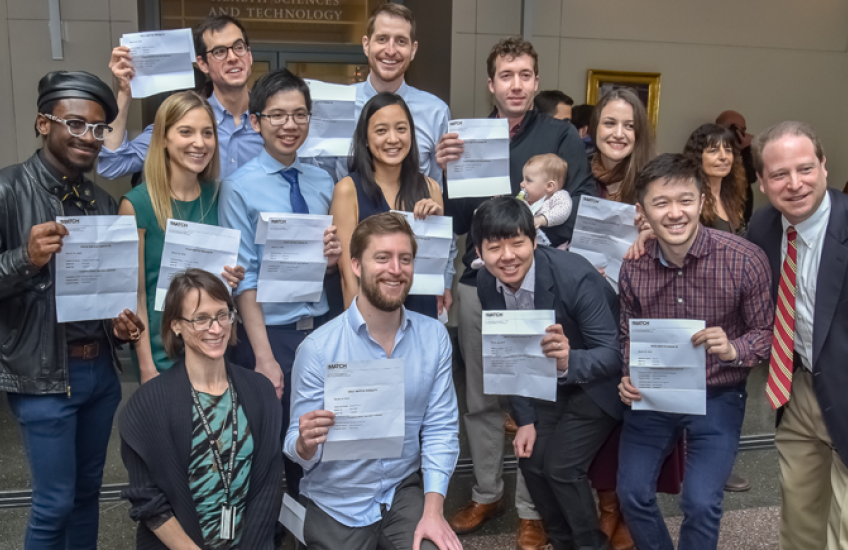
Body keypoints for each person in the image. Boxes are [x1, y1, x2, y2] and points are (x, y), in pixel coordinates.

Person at [436, 37, 594, 549]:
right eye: (506, 75)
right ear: (491, 83)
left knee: (537, 394)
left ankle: (532, 509)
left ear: (536, 80)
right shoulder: (468, 137)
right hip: (477, 282)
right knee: (481, 397)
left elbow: (579, 204)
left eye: (525, 74)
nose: (517, 84)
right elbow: (457, 221)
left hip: (537, 285)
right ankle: (487, 492)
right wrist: (448, 172)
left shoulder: (561, 135)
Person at [0, 70, 146, 549]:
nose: (89, 137)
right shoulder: (7, 191)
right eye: (76, 124)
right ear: (44, 123)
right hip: (42, 375)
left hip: (99, 374)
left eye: (100, 128)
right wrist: (25, 258)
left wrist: (119, 327)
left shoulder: (101, 202)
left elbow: (103, 293)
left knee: (87, 498)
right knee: (54, 503)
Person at [616, 153, 773, 550]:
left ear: (702, 201)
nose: (675, 213)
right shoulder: (634, 266)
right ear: (642, 211)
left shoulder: (744, 259)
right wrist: (627, 375)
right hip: (655, 394)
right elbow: (627, 333)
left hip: (718, 393)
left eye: (685, 200)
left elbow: (766, 334)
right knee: (632, 493)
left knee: (701, 502)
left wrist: (733, 348)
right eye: (661, 203)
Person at [285, 212, 461, 550]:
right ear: (356, 265)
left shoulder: (434, 337)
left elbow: (440, 429)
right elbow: (296, 444)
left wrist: (434, 512)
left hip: (401, 490)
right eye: (382, 258)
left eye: (405, 259)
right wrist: (305, 444)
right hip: (336, 499)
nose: (395, 269)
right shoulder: (318, 349)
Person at [218, 68, 341, 501]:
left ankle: (315, 526)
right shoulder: (238, 188)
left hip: (320, 330)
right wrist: (264, 357)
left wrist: (331, 262)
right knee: (267, 448)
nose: (290, 125)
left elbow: (328, 267)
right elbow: (244, 278)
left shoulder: (322, 181)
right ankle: (267, 530)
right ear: (256, 122)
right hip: (269, 335)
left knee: (316, 441)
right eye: (277, 115)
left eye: (299, 114)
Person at [473, 196, 623, 550]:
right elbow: (511, 356)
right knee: (531, 461)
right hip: (543, 384)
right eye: (494, 248)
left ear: (534, 241)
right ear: (479, 251)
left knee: (561, 468)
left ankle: (590, 546)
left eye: (517, 243)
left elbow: (614, 354)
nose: (507, 256)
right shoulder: (486, 282)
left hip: (596, 383)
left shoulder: (575, 276)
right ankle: (563, 541)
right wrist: (525, 419)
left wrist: (569, 361)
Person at [120, 269, 283, 550]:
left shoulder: (260, 392)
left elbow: (269, 486)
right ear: (176, 326)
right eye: (201, 319)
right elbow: (147, 500)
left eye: (222, 315)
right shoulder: (147, 405)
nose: (216, 328)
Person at [746, 121, 848, 550]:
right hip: (797, 390)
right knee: (801, 523)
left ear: (824, 166)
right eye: (779, 174)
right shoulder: (763, 227)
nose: (795, 184)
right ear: (761, 182)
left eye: (805, 168)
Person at [120, 91, 244, 383]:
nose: (200, 143)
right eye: (186, 132)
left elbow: (225, 280)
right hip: (162, 353)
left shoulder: (221, 195)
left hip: (214, 345)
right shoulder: (136, 205)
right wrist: (146, 366)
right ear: (163, 138)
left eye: (207, 133)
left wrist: (233, 276)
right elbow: (136, 295)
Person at [99, 15, 262, 180]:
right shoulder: (183, 121)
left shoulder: (271, 120)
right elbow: (113, 165)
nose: (233, 57)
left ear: (249, 56)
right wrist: (124, 93)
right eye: (219, 52)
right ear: (203, 64)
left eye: (239, 47)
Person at [330, 92, 447, 318]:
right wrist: (359, 329)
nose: (393, 139)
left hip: (421, 310)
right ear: (365, 138)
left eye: (401, 129)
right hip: (372, 316)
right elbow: (348, 276)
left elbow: (433, 266)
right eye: (381, 131)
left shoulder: (431, 187)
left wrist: (437, 224)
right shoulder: (347, 190)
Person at [518, 153, 572, 247]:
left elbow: (562, 211)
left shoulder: (559, 196)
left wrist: (541, 220)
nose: (522, 184)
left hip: (548, 245)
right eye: (523, 179)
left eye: (528, 180)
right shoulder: (526, 201)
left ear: (549, 186)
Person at [715, 110, 756, 222]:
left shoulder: (739, 152)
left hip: (743, 220)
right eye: (741, 130)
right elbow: (748, 176)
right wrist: (747, 149)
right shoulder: (716, 154)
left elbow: (754, 176)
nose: (744, 134)